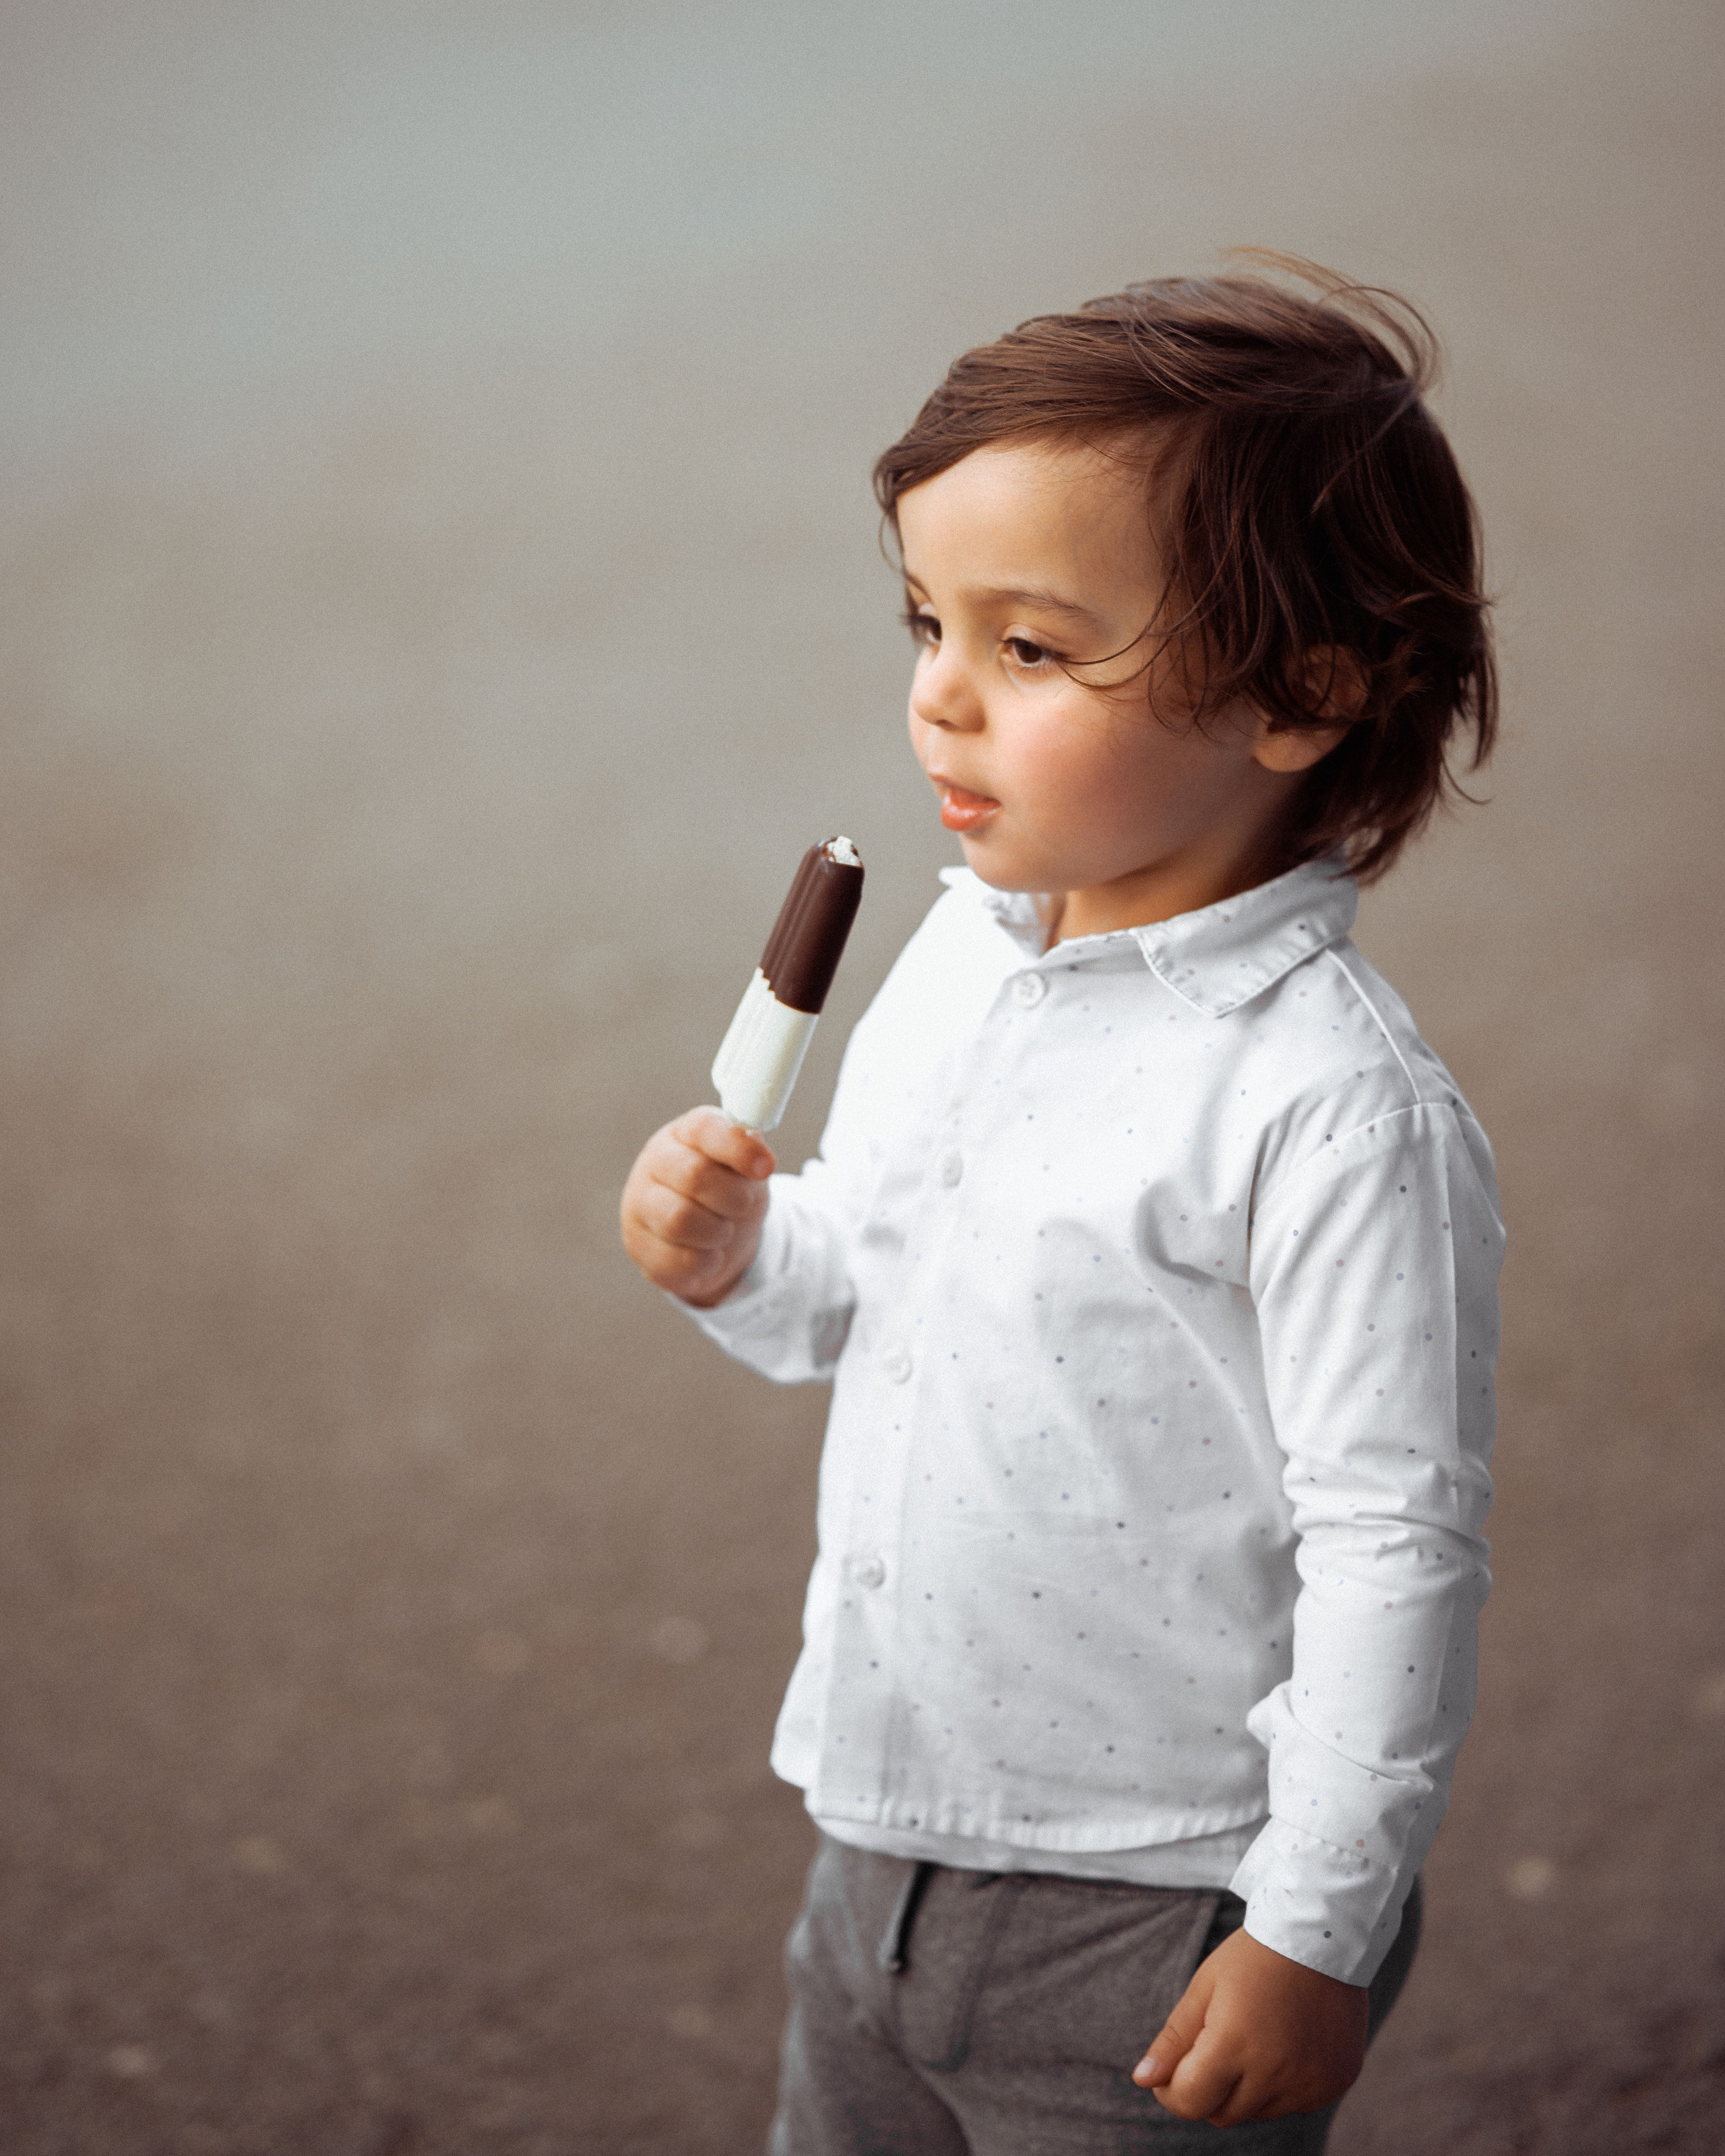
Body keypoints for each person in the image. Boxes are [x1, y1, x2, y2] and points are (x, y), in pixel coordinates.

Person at [619, 255, 1503, 2153]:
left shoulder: (1331, 1110)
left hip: (1158, 1905)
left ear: (1299, 696)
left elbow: (1393, 1543)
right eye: (928, 621)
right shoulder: (966, 958)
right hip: (885, 1824)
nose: (939, 699)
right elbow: (877, 1291)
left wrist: (1312, 1933)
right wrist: (744, 1257)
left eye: (1031, 651)